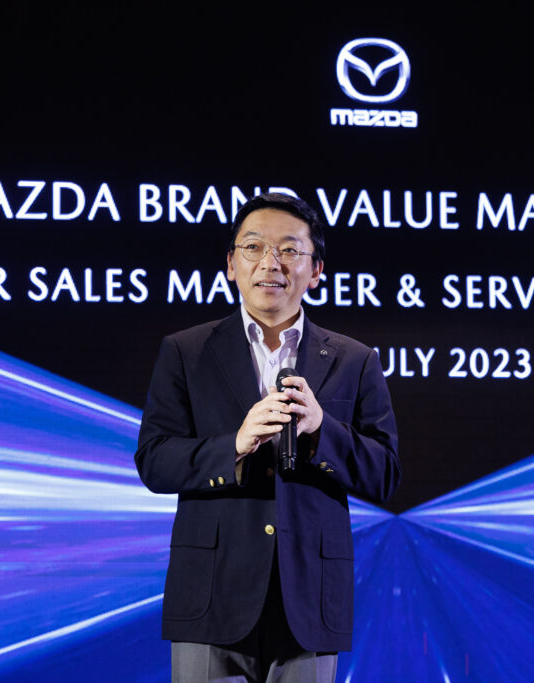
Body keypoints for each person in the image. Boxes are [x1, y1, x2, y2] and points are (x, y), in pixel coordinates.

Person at [135, 192, 401, 682]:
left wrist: (321, 429)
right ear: (231, 264)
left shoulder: (355, 360)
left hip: (310, 598)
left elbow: (384, 474)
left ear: (315, 270)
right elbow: (155, 460)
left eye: (290, 250)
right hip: (211, 596)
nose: (270, 263)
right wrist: (234, 445)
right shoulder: (186, 351)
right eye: (254, 247)